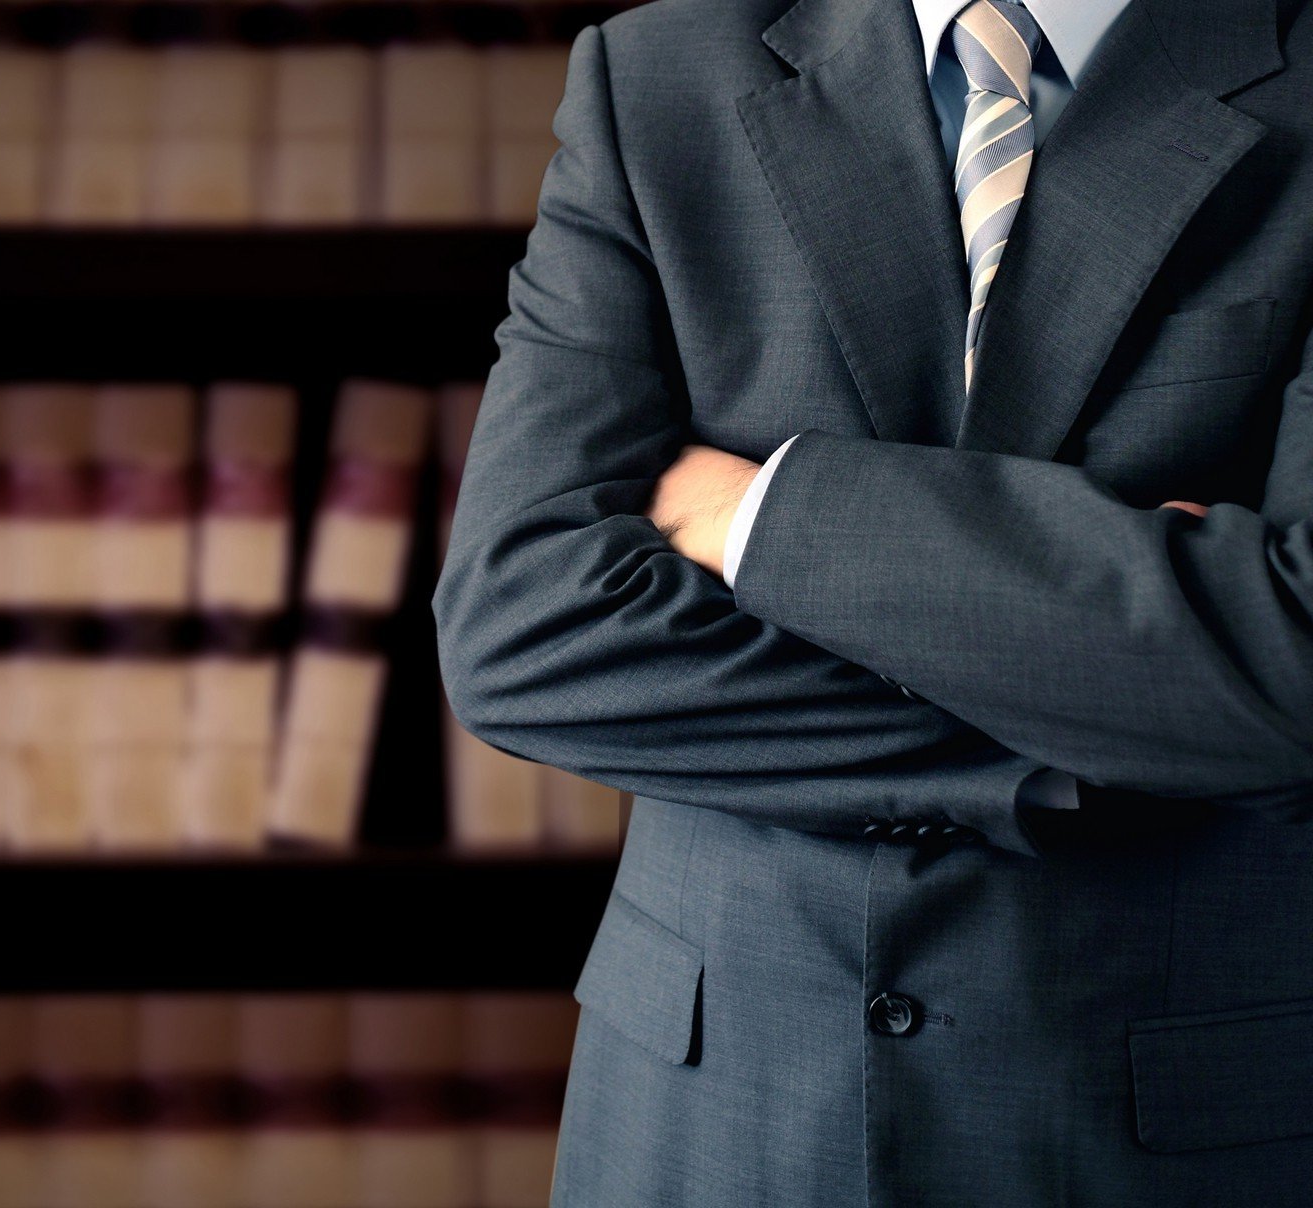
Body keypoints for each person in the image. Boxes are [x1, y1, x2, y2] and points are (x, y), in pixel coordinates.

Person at [431, 0, 1313, 1199]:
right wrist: (1098, 715)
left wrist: (759, 518)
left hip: (1167, 1128)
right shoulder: (653, 70)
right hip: (712, 1116)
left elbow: (1290, 663)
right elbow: (518, 628)